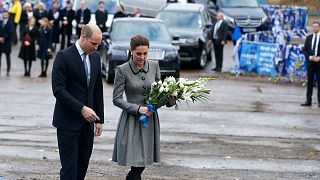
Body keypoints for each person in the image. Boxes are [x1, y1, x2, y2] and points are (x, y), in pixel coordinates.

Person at [112, 35, 176, 180]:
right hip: (131, 122)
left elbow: (160, 93)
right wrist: (137, 108)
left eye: (145, 53)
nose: (142, 57)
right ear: (131, 51)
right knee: (137, 165)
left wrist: (169, 101)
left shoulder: (154, 66)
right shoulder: (122, 70)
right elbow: (116, 99)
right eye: (138, 53)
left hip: (150, 122)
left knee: (140, 165)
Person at [52, 24, 104, 179]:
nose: (95, 47)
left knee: (82, 168)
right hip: (67, 123)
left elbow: (97, 89)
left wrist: (99, 119)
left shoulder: (95, 57)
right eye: (93, 43)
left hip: (87, 125)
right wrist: (81, 108)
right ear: (83, 37)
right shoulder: (64, 56)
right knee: (70, 170)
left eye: (98, 44)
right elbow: (58, 90)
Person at [301, 21, 320, 107]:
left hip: (319, 63)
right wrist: (310, 57)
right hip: (311, 63)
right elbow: (304, 50)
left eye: (316, 26)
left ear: (319, 27)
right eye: (314, 27)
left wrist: (319, 58)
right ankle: (308, 100)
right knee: (310, 82)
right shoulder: (309, 38)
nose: (315, 28)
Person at [0, 11, 14, 76]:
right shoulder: (0, 22)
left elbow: (11, 32)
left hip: (7, 42)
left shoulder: (10, 23)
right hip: (0, 42)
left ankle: (8, 71)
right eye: (3, 14)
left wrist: (4, 38)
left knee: (7, 57)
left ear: (8, 15)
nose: (4, 15)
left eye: (6, 14)